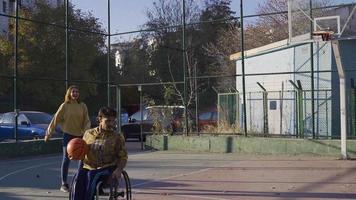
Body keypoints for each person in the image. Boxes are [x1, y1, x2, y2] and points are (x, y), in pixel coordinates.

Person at [70, 106, 128, 200]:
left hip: (107, 168)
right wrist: (74, 155)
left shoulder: (117, 137)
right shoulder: (88, 134)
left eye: (113, 121)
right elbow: (82, 152)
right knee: (79, 177)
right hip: (89, 167)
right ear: (99, 119)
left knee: (92, 175)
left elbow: (123, 157)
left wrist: (119, 170)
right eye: (108, 121)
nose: (111, 124)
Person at [45, 85, 91, 192]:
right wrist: (48, 133)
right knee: (66, 158)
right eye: (73, 92)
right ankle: (64, 184)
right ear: (69, 94)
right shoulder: (65, 105)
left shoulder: (83, 106)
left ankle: (80, 180)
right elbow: (55, 119)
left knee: (83, 159)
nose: (75, 93)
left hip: (80, 135)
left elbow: (87, 120)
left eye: (77, 92)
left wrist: (86, 130)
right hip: (68, 135)